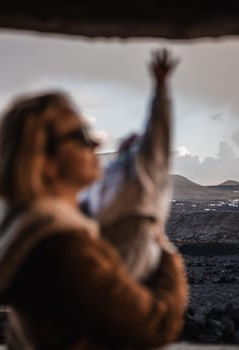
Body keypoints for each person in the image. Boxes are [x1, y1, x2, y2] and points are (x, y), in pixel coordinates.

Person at [0, 49, 188, 350]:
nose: (98, 143)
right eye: (80, 136)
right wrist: (168, 257)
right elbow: (156, 326)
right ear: (45, 162)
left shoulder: (22, 227)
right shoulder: (68, 250)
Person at [80, 49, 177, 282]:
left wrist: (161, 88)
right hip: (99, 243)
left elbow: (159, 133)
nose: (134, 135)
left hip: (133, 244)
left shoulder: (145, 170)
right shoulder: (104, 175)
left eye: (139, 138)